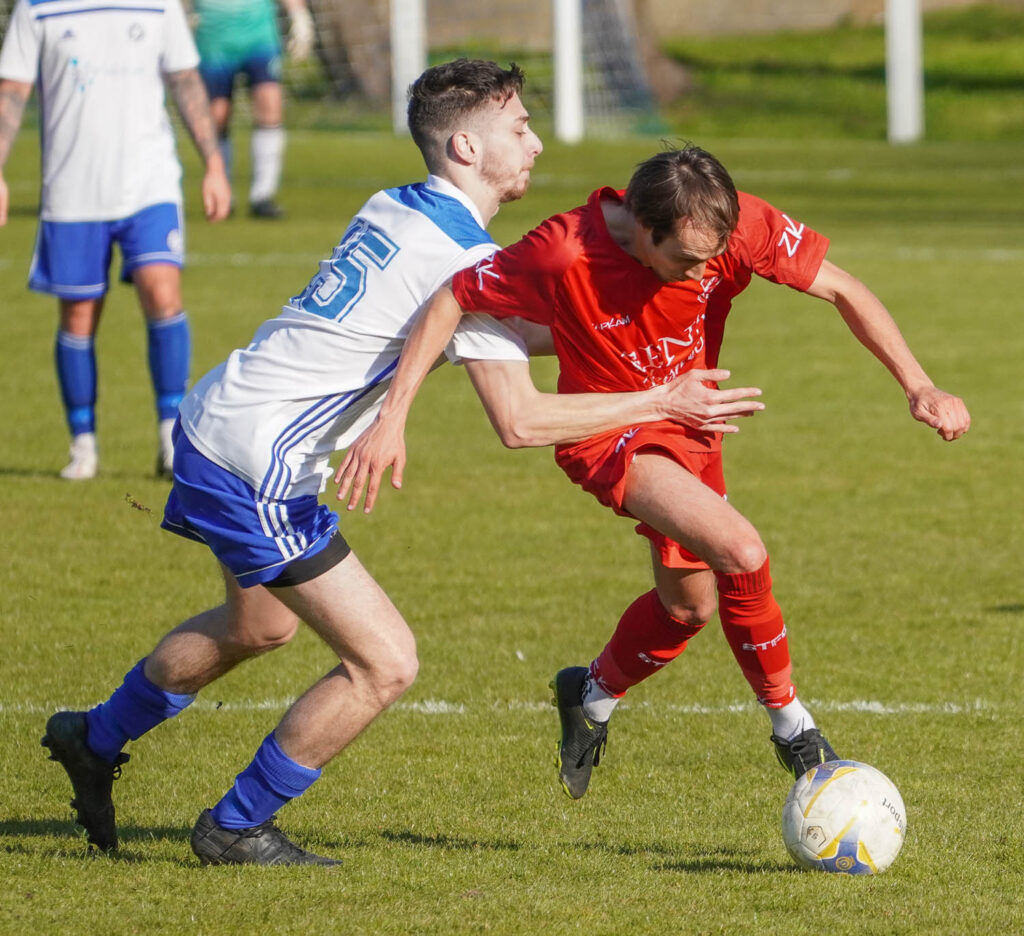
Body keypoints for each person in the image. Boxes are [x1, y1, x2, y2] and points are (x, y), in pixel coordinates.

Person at [38, 64, 764, 865]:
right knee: (385, 662)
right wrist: (662, 400)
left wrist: (612, 339)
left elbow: (493, 330)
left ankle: (94, 737)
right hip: (260, 464)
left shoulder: (398, 207)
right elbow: (520, 421)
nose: (538, 142)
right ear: (464, 145)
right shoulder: (465, 263)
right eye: (518, 129)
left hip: (223, 420)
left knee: (260, 622)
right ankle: (234, 826)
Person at [337, 145, 971, 801]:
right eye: (687, 261)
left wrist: (919, 387)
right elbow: (452, 296)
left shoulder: (730, 228)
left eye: (714, 256)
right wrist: (394, 416)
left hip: (691, 418)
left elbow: (843, 287)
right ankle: (793, 728)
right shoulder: (562, 249)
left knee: (686, 608)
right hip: (608, 432)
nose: (705, 273)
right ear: (642, 227)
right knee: (742, 550)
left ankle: (590, 695)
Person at [0, 0, 232, 481]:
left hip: (149, 184)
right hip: (72, 191)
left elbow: (185, 80)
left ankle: (170, 439)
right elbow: (13, 92)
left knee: (163, 294)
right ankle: (82, 445)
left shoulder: (157, 4)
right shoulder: (36, 9)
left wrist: (213, 163)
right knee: (79, 314)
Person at [192, 0, 315, 218]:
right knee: (217, 117)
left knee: (270, 105)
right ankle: (222, 193)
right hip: (215, 37)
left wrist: (299, 15)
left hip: (258, 35)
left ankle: (263, 196)